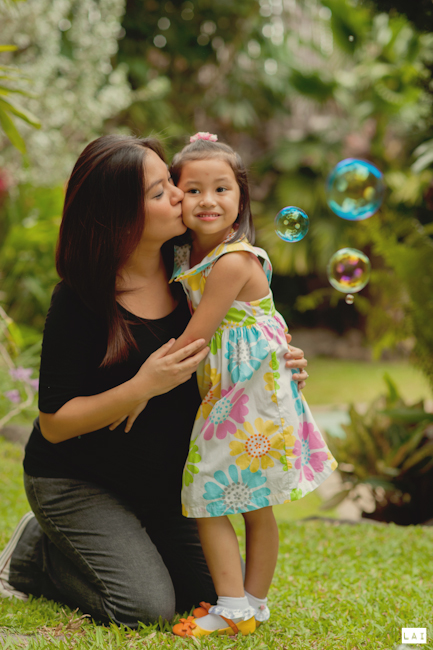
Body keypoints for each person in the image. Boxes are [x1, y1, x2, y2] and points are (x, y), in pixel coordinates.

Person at [0, 134, 310, 629]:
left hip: (160, 486)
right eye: (160, 190)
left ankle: (126, 537)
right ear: (121, 215)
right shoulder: (80, 298)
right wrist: (142, 385)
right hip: (79, 480)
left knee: (208, 592)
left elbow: (247, 328)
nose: (180, 195)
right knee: (144, 607)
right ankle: (34, 553)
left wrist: (279, 360)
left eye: (170, 181)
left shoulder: (191, 270)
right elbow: (55, 424)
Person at [141, 132, 337, 638]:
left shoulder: (232, 260)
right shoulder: (186, 255)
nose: (208, 201)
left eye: (221, 189)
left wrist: (140, 382)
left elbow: (197, 336)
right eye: (194, 190)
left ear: (241, 198)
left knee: (210, 494)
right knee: (250, 502)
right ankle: (250, 606)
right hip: (239, 392)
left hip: (249, 396)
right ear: (177, 196)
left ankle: (235, 606)